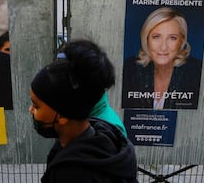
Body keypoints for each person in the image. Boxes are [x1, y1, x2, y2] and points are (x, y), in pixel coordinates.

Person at [29, 39, 138, 183]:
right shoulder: (104, 134)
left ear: (62, 115)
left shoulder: (71, 174)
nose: (30, 110)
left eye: (36, 106)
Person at [122, 7, 202, 109]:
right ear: (146, 39)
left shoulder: (197, 72)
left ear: (181, 41)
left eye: (172, 38)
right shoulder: (130, 69)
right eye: (156, 37)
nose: (163, 47)